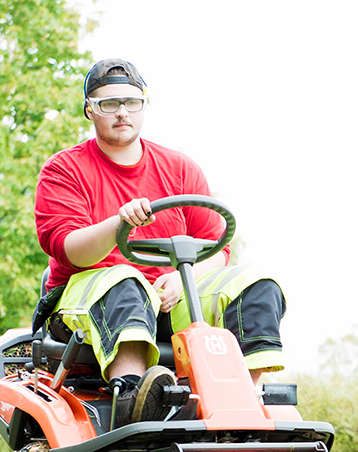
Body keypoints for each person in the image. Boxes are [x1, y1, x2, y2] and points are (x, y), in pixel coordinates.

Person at [34, 58, 286, 426]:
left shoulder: (180, 167)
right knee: (125, 279)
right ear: (89, 109)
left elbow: (218, 248)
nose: (122, 113)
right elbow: (69, 248)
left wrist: (183, 280)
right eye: (109, 104)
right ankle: (132, 397)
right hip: (89, 299)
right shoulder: (64, 170)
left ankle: (242, 402)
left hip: (172, 299)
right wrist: (118, 222)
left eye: (131, 103)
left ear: (143, 105)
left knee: (256, 282)